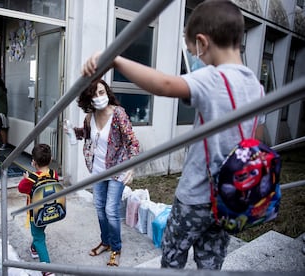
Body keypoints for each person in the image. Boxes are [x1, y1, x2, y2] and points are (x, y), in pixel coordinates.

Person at [82, 0, 264, 270]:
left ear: (202, 42)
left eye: (194, 53)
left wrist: (114, 59)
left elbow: (165, 84)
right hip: (228, 198)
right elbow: (256, 142)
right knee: (210, 260)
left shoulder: (214, 78)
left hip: (195, 196)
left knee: (173, 255)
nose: (197, 59)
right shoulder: (257, 88)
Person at [69, 79, 140, 267]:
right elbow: (86, 134)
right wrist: (71, 131)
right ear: (88, 99)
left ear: (107, 92)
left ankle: (116, 248)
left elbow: (132, 142)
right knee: (100, 208)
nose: (100, 97)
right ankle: (106, 242)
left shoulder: (118, 114)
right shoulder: (89, 117)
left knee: (110, 210)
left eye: (102, 92)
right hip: (98, 170)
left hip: (117, 169)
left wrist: (131, 167)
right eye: (95, 94)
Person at [18, 144, 57, 276]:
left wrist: (25, 178)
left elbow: (21, 188)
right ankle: (34, 249)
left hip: (35, 214)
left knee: (39, 238)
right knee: (39, 232)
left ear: (33, 162)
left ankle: (47, 269)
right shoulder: (54, 173)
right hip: (50, 210)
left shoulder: (31, 179)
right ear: (51, 159)